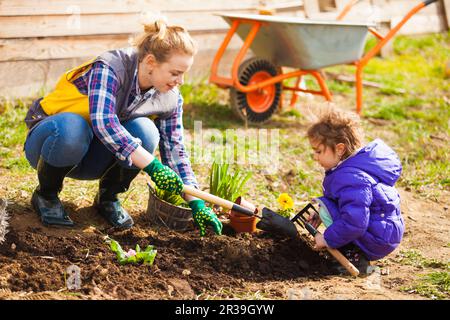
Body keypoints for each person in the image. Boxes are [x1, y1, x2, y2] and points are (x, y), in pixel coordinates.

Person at [23, 20, 222, 237]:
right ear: (151, 62)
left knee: (145, 131)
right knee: (73, 126)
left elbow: (175, 151)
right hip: (50, 144)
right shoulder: (110, 67)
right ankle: (47, 195)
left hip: (93, 157)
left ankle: (108, 198)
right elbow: (104, 123)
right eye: (175, 73)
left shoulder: (169, 97)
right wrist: (152, 166)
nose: (180, 81)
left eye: (183, 74)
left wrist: (197, 203)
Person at [306, 108, 404, 273]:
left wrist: (327, 239)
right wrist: (323, 213)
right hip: (383, 230)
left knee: (344, 219)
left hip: (377, 238)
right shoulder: (352, 167)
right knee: (327, 207)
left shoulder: (350, 177)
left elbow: (356, 222)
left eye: (319, 151)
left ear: (340, 149)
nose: (315, 157)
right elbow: (345, 202)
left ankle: (355, 257)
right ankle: (353, 249)